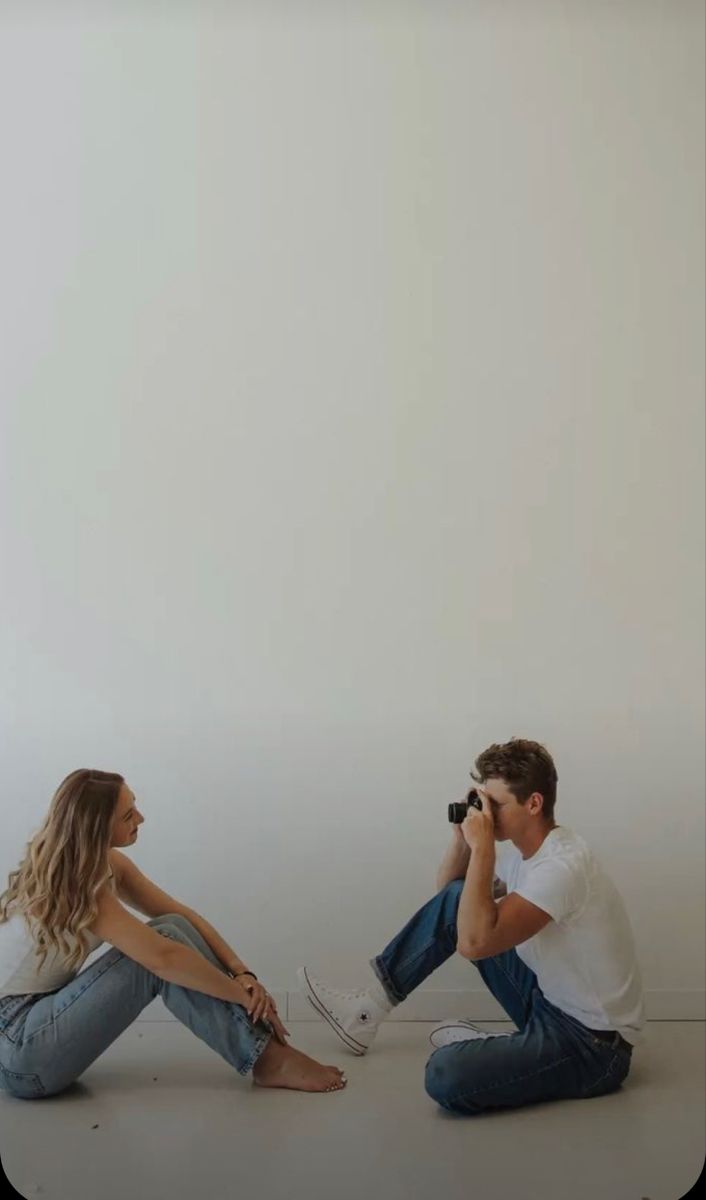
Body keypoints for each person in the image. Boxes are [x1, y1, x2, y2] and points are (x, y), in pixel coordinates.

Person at [298, 737, 644, 1115]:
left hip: (592, 1046)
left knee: (444, 1074)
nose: (487, 815)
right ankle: (366, 1011)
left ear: (533, 803)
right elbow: (448, 897)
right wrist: (463, 839)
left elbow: (474, 942)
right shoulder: (526, 854)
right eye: (484, 802)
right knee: (459, 900)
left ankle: (499, 1049)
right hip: (547, 1001)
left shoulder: (562, 867)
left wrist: (483, 848)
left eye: (496, 805)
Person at [0, 769, 346, 1099]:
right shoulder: (81, 884)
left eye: (134, 805)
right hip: (20, 1050)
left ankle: (264, 1052)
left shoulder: (105, 865)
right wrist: (243, 997)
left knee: (173, 928)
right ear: (97, 828)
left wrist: (243, 973)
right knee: (158, 951)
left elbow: (183, 916)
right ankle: (269, 1059)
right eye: (128, 815)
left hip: (38, 1029)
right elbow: (163, 959)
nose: (141, 818)